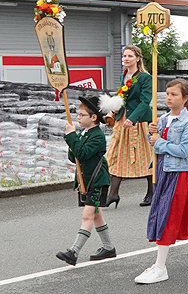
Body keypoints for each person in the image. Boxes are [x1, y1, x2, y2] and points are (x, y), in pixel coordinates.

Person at [135, 79, 188, 284]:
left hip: (178, 173)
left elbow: (183, 151)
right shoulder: (162, 119)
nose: (169, 98)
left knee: (168, 215)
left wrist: (159, 142)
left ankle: (160, 267)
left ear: (185, 98)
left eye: (174, 94)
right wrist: (150, 134)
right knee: (183, 218)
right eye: (167, 94)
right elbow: (155, 145)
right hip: (162, 171)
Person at [55, 95, 119, 266]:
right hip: (87, 180)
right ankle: (109, 247)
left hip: (97, 181)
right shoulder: (84, 133)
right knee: (96, 215)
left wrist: (72, 138)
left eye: (81, 115)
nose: (78, 117)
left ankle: (73, 252)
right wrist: (72, 138)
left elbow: (83, 153)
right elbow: (74, 156)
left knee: (88, 215)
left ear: (93, 117)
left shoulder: (97, 136)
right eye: (77, 114)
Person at [104, 45, 153, 207]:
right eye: (124, 56)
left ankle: (152, 192)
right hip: (122, 118)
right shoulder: (124, 75)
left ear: (138, 58)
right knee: (117, 154)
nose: (126, 59)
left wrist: (132, 118)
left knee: (145, 155)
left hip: (138, 121)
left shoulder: (145, 77)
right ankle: (113, 193)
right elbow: (123, 95)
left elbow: (145, 101)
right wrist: (116, 106)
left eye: (130, 56)